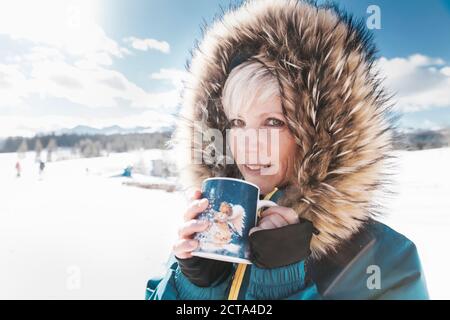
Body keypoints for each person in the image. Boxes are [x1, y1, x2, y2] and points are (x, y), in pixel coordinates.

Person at [146, 0, 428, 300]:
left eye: (273, 122)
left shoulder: (388, 260)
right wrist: (194, 286)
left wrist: (282, 288)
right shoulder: (209, 235)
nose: (248, 143)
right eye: (237, 122)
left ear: (321, 137)